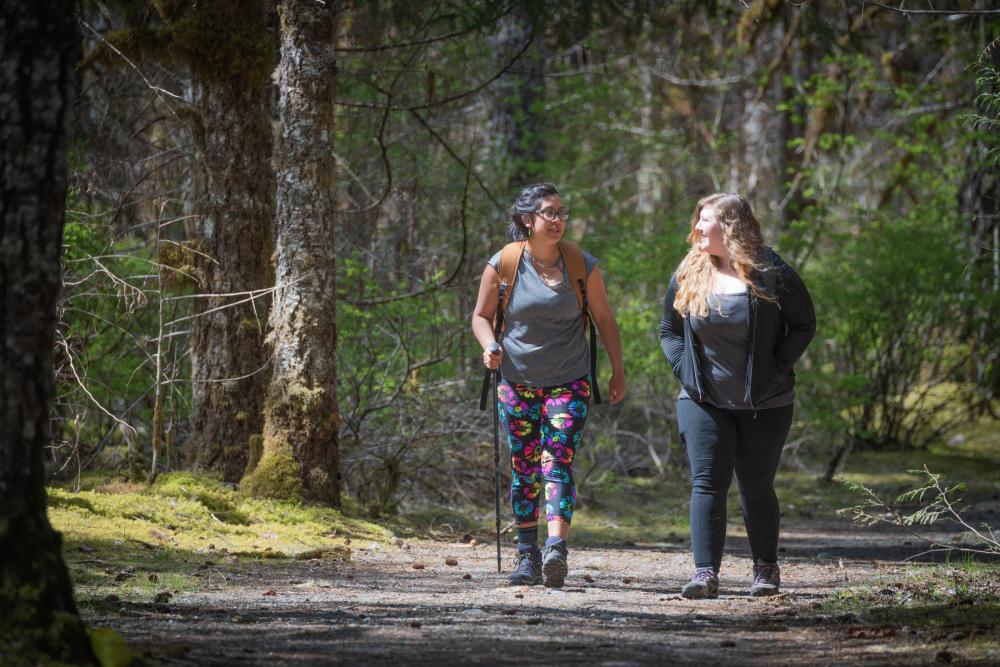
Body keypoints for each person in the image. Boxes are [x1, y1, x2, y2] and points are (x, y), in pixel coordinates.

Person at [659, 193, 815, 599]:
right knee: (707, 483)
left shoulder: (771, 271)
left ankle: (765, 570)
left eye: (705, 220)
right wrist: (685, 371)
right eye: (697, 219)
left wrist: (775, 368)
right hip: (702, 400)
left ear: (729, 226)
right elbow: (669, 332)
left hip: (766, 403)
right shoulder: (690, 273)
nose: (696, 228)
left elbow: (804, 325)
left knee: (756, 486)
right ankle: (704, 573)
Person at [472, 182, 626, 588]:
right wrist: (490, 346)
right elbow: (481, 316)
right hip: (516, 381)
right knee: (525, 468)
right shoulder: (504, 263)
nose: (558, 220)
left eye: (562, 212)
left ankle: (555, 548)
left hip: (569, 381)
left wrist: (617, 371)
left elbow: (605, 319)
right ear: (528, 219)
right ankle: (527, 557)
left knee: (556, 461)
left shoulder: (580, 264)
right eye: (549, 213)